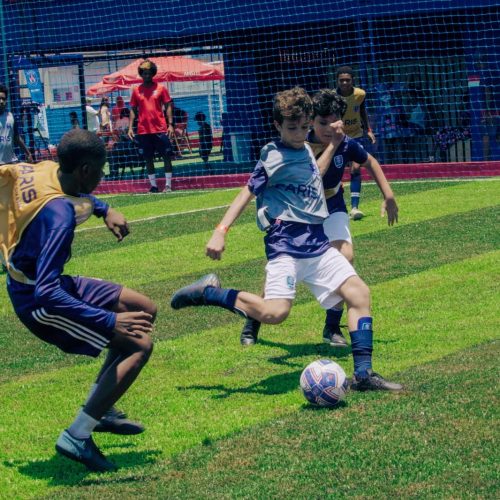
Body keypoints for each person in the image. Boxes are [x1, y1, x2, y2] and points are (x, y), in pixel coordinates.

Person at [171, 87, 402, 392]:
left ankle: (363, 374)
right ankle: (209, 292)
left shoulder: (307, 149)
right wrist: (221, 230)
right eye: (292, 127)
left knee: (359, 293)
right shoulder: (272, 155)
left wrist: (332, 145)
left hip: (317, 244)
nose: (299, 133)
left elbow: (313, 175)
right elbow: (247, 192)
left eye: (304, 127)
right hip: (285, 246)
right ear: (277, 125)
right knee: (275, 313)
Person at [1, 129, 156, 472]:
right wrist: (109, 321)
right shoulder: (58, 218)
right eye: (101, 170)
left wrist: (104, 208)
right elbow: (47, 292)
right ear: (85, 170)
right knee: (138, 344)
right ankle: (77, 435)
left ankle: (101, 407)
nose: (103, 176)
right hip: (38, 303)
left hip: (45, 284)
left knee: (144, 308)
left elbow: (71, 194)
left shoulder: (43, 169)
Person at [240, 88, 399, 347]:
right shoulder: (299, 145)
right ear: (311, 121)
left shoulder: (344, 142)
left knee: (345, 257)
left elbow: (370, 162)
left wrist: (389, 196)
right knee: (282, 274)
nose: (328, 127)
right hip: (299, 214)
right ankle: (253, 318)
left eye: (333, 120)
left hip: (332, 205)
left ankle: (331, 327)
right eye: (321, 122)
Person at [128, 59, 175, 193]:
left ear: (153, 73)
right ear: (141, 74)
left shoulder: (161, 88)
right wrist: (131, 127)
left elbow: (168, 106)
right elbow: (132, 109)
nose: (147, 76)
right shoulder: (136, 91)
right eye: (144, 73)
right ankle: (153, 186)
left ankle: (168, 185)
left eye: (149, 73)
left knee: (166, 156)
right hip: (143, 131)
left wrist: (170, 125)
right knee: (148, 158)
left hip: (160, 129)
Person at [336, 67, 376, 220]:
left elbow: (362, 111)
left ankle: (354, 208)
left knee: (356, 168)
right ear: (337, 81)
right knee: (336, 170)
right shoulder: (334, 97)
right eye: (342, 80)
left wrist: (369, 130)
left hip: (356, 134)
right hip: (338, 136)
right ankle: (337, 207)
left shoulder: (360, 94)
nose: (345, 82)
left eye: (348, 79)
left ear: (353, 80)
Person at [0, 84, 33, 165]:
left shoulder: (10, 116)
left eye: (3, 99)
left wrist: (28, 153)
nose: (1, 101)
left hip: (11, 162)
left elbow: (17, 137)